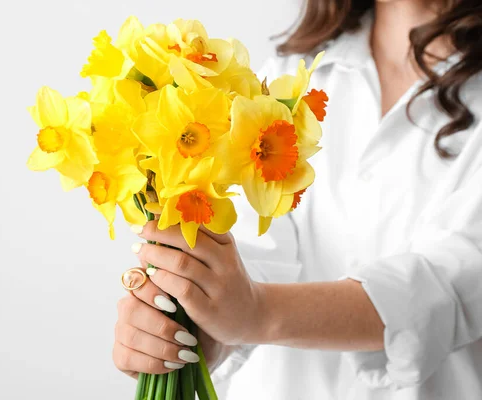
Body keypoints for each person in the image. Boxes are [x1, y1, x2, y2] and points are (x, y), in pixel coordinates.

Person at [112, 0, 482, 398]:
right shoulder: (289, 75)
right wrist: (196, 327)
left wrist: (258, 312)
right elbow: (254, 254)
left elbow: (450, 285)